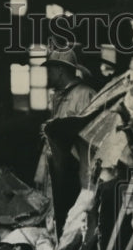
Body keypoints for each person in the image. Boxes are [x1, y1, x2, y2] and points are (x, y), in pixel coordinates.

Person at [34, 44, 96, 234]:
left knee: (76, 222)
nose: (48, 74)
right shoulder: (57, 97)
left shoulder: (85, 95)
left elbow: (92, 139)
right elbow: (51, 140)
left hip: (77, 173)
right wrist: (41, 168)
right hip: (58, 171)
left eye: (50, 69)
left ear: (61, 70)